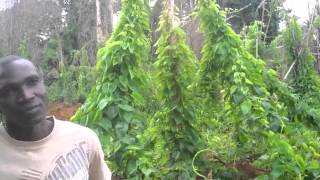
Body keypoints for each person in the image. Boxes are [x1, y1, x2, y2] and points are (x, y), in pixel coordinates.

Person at [0, 55, 112, 180]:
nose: (26, 96)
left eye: (32, 82)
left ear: (43, 84)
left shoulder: (83, 139)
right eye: (8, 90)